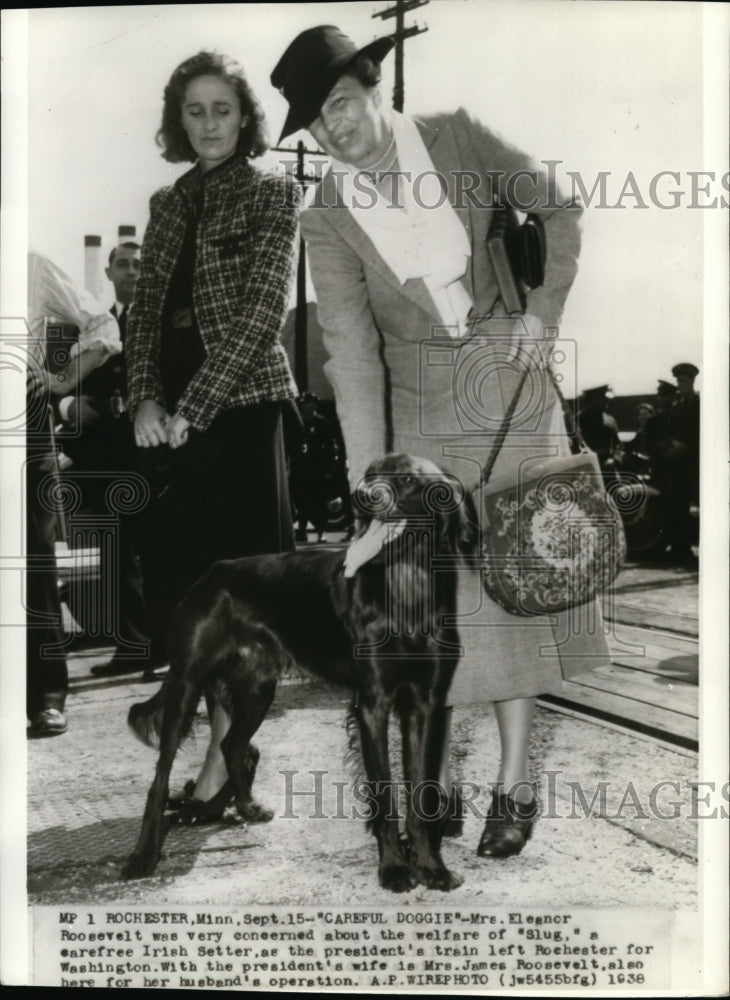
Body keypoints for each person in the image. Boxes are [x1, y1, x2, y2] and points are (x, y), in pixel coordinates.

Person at [270, 25, 611, 859]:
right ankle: (439, 778)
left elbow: (560, 206)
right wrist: (367, 492)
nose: (336, 128)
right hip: (420, 416)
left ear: (373, 87)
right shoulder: (327, 217)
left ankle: (516, 783)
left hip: (512, 389)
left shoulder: (457, 134)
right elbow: (350, 353)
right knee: (436, 605)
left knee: (519, 585)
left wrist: (542, 314)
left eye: (343, 104)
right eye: (318, 122)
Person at [125, 50, 301, 817]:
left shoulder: (273, 194)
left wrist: (193, 405)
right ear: (177, 119)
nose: (207, 125)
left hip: (244, 414)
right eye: (193, 111)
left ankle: (217, 773)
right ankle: (222, 751)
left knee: (246, 608)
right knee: (179, 599)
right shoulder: (167, 205)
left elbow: (265, 311)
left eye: (221, 109)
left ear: (245, 116)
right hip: (171, 427)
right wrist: (143, 401)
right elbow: (144, 315)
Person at [26, 251, 123, 735]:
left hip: (20, 426)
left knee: (35, 559)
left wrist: (58, 381)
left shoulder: (27, 264)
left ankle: (45, 694)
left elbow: (102, 327)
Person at [50, 241, 151, 678]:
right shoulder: (89, 326)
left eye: (139, 266)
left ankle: (145, 642)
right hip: (98, 458)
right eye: (123, 265)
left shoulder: (156, 322)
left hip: (145, 453)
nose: (131, 272)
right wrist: (70, 409)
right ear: (108, 273)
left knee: (145, 552)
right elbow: (56, 381)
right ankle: (128, 639)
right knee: (111, 553)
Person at [660, 363, 700, 564]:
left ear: (692, 381)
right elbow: (668, 430)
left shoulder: (698, 403)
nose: (680, 385)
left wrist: (685, 446)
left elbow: (701, 432)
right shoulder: (677, 405)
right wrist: (670, 445)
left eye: (683, 381)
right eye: (678, 381)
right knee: (677, 505)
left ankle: (686, 549)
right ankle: (679, 547)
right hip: (675, 463)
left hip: (691, 462)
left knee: (691, 505)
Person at [289, 392, 337, 543]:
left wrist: (328, 469)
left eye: (307, 403)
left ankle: (322, 531)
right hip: (299, 469)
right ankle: (301, 531)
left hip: (317, 470)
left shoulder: (323, 424)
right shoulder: (296, 424)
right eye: (302, 404)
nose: (304, 407)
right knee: (300, 502)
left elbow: (330, 449)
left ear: (314, 405)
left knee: (318, 502)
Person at [578, 384, 622, 484]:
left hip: (608, 469)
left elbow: (618, 445)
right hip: (586, 470)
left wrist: (614, 459)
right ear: (591, 401)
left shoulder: (610, 420)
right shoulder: (578, 420)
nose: (607, 402)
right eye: (602, 399)